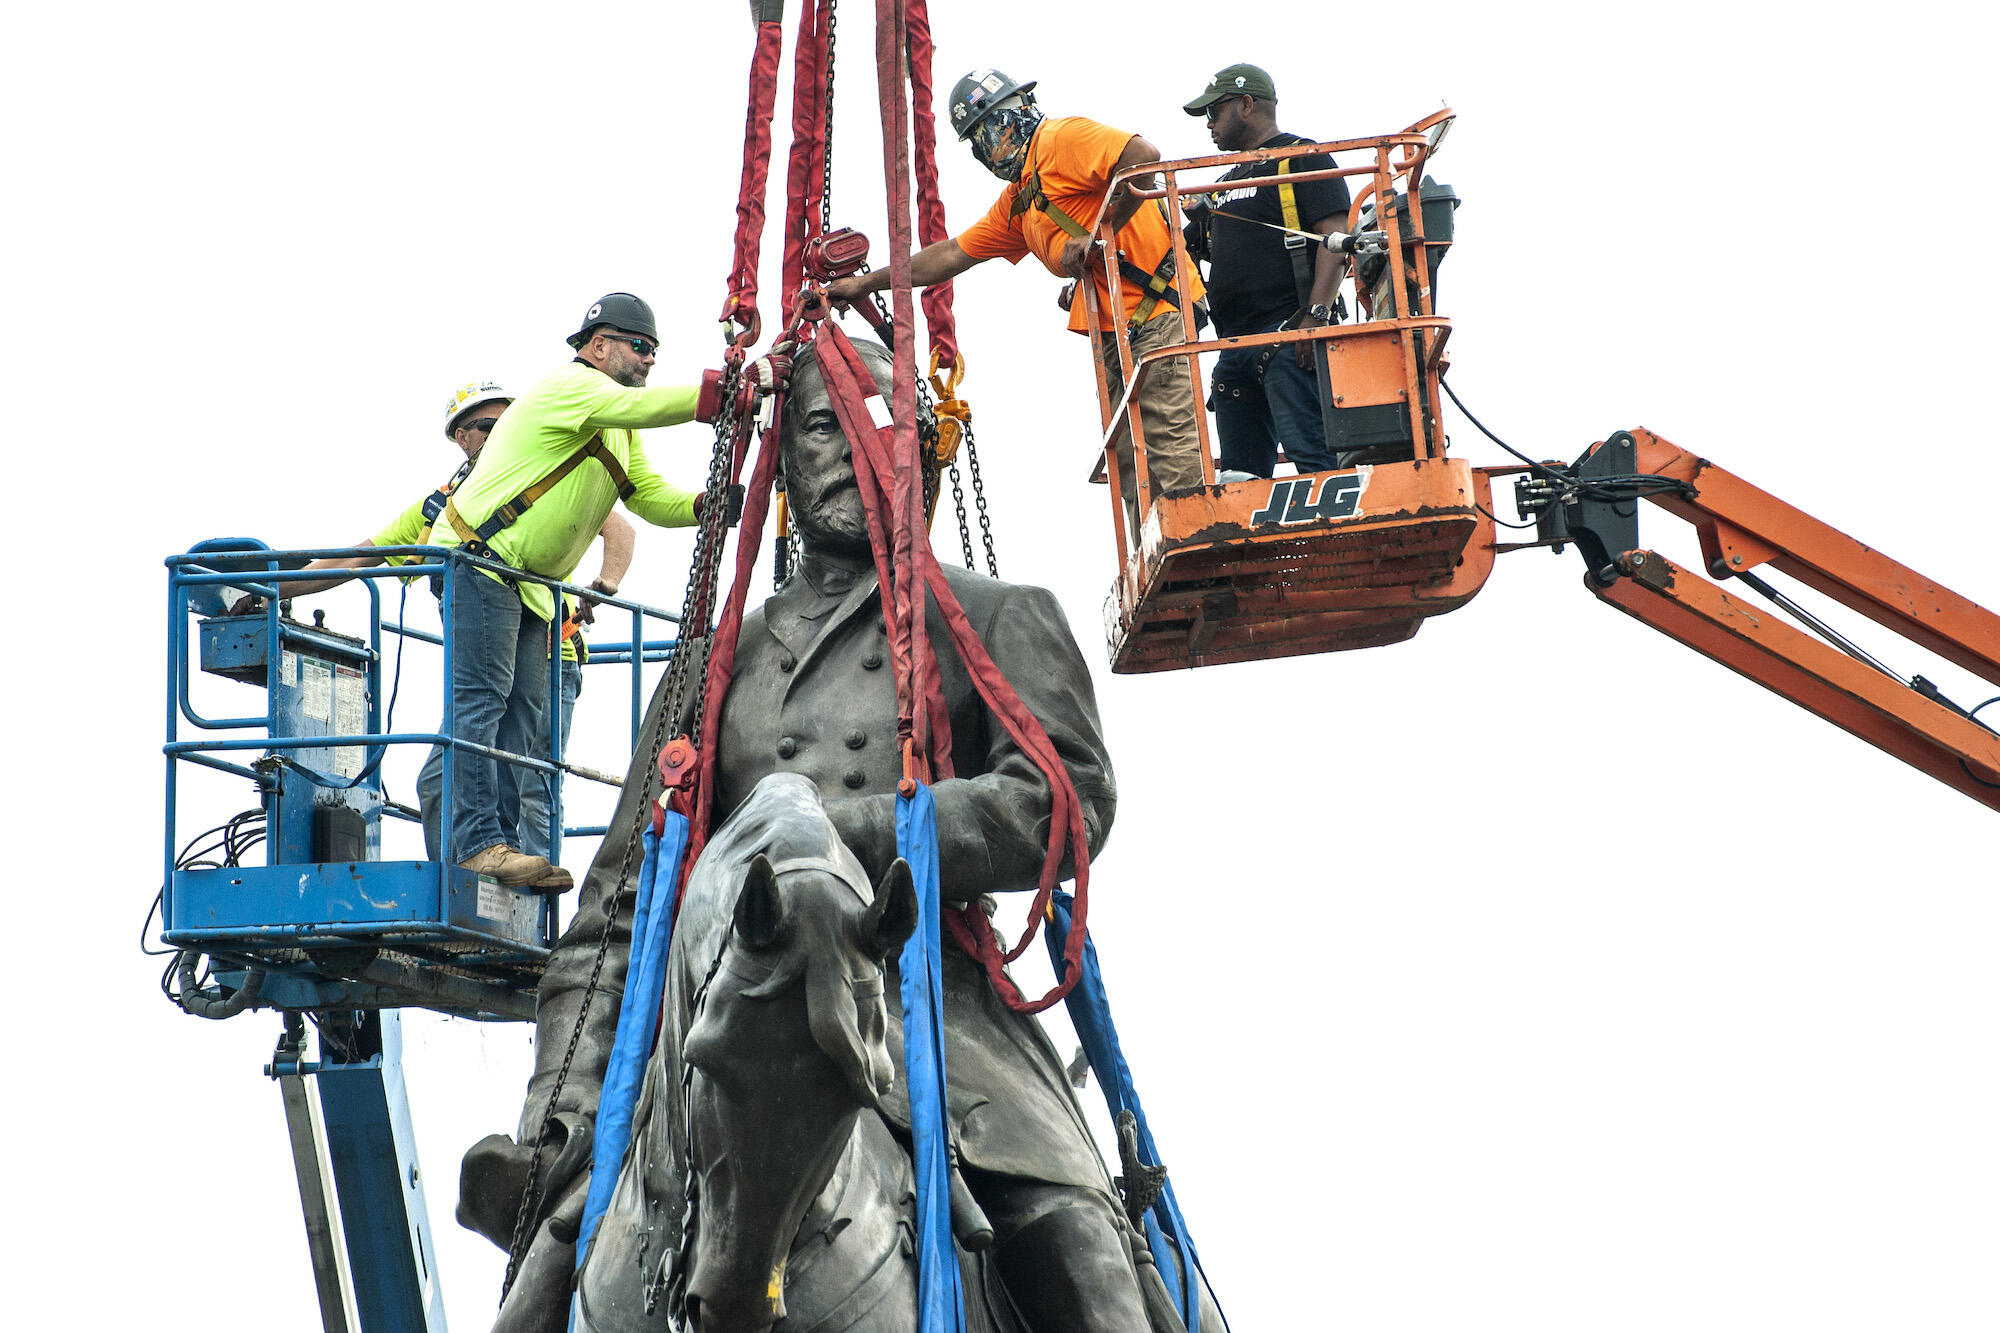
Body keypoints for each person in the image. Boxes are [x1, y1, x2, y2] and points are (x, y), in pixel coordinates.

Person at [463, 340, 1187, 1330]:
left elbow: (1066, 797)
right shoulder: (714, 663)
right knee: (543, 1284)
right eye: (820, 427)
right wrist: (563, 1112)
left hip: (939, 1017)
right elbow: (614, 915)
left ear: (921, 450)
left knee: (1082, 1257)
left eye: (878, 427)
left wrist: (829, 838)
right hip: (718, 1030)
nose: (850, 450)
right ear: (786, 459)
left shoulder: (995, 617)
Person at [229, 381, 635, 870]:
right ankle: (466, 879)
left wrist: (605, 583)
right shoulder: (444, 507)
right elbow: (357, 558)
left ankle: (528, 890)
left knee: (530, 781)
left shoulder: (540, 478)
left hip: (548, 655)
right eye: (489, 426)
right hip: (487, 664)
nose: (504, 433)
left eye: (510, 424)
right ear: (462, 437)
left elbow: (618, 525)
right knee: (442, 777)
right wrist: (273, 591)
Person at [826, 68, 1207, 528]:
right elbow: (950, 255)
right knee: (1130, 457)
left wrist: (1094, 235)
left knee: (1168, 440)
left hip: (1159, 310)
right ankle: (1159, 545)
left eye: (986, 133)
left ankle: (1198, 536)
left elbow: (1142, 157)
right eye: (976, 142)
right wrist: (865, 284)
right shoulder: (1021, 200)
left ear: (1011, 115)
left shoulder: (1059, 139)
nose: (985, 150)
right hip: (1117, 331)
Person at [430, 293, 707, 890]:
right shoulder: (572, 386)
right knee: (482, 705)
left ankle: (501, 846)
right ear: (598, 346)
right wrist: (723, 391)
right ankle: (478, 844)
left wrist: (702, 507)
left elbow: (646, 494)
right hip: (480, 562)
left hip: (531, 585)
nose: (649, 359)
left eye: (655, 352)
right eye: (641, 346)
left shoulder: (619, 426)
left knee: (523, 721)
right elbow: (651, 406)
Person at [1182, 63, 1352, 479]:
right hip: (1233, 349)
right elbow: (1178, 248)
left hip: (1289, 339)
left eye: (1214, 111)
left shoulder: (1300, 157)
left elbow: (1336, 241)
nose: (1208, 124)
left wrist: (1315, 318)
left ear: (1246, 104)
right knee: (1239, 482)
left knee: (1316, 464)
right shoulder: (1224, 183)